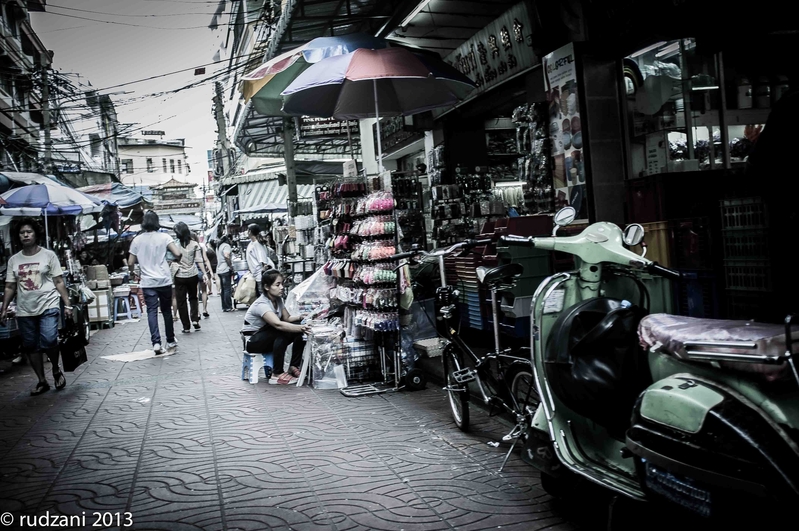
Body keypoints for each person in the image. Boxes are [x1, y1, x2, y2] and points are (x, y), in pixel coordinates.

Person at [1, 218, 74, 395]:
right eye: (22, 232)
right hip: (25, 309)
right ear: (18, 236)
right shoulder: (14, 260)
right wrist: (4, 308)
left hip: (48, 304)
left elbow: (58, 281)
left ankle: (55, 368)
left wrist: (67, 304)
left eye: (29, 232)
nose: (25, 235)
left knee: (49, 339)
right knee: (31, 345)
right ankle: (42, 381)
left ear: (36, 234)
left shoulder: (48, 255)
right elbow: (10, 286)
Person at [128, 210, 182, 354]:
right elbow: (177, 253)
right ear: (157, 222)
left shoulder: (137, 240)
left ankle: (156, 343)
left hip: (148, 282)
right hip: (164, 279)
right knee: (166, 311)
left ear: (144, 223)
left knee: (151, 311)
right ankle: (170, 339)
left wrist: (133, 271)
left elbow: (130, 262)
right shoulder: (164, 237)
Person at [242, 269, 309, 385]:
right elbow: (278, 324)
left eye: (282, 283)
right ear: (267, 287)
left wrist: (301, 318)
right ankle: (277, 374)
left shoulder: (278, 300)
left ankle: (293, 366)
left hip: (267, 336)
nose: (282, 287)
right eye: (277, 285)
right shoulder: (261, 304)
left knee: (299, 332)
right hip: (253, 341)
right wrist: (302, 328)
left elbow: (287, 318)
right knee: (282, 332)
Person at [172, 222, 202, 333]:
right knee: (193, 297)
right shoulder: (194, 244)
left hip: (180, 275)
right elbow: (199, 260)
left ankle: (186, 326)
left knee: (181, 301)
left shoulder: (174, 244)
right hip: (193, 274)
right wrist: (205, 273)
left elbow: (171, 259)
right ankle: (195, 319)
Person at [245, 224, 275, 296]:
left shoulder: (257, 244)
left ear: (250, 232)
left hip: (259, 275)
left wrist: (264, 272)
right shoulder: (252, 243)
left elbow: (263, 260)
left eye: (248, 230)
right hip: (255, 274)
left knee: (263, 295)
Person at [192, 233, 213, 318]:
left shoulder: (188, 246)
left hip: (192, 272)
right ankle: (204, 309)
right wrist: (210, 271)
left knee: (195, 293)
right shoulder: (201, 246)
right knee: (204, 291)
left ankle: (197, 312)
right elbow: (206, 259)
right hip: (202, 271)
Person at [216, 235, 234, 312]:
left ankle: (224, 307)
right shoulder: (226, 246)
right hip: (225, 269)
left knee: (223, 289)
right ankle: (228, 306)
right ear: (229, 239)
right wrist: (230, 266)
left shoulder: (219, 246)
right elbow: (227, 256)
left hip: (219, 269)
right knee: (227, 289)